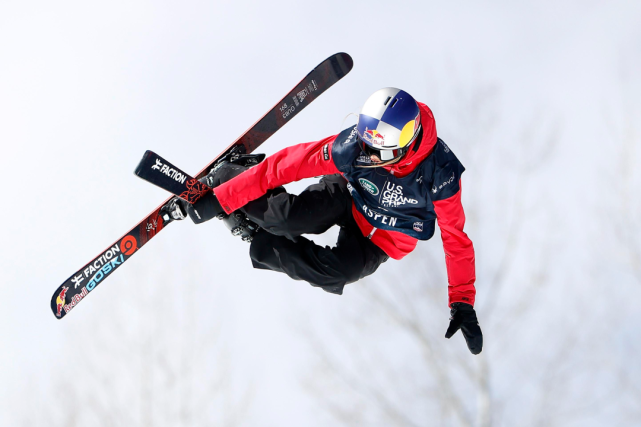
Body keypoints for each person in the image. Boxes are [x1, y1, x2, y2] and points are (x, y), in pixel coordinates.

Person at [170, 88, 482, 355]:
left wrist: (463, 302)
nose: (368, 155)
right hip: (349, 194)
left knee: (336, 274)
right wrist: (223, 195)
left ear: (405, 147)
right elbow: (291, 164)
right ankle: (231, 176)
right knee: (289, 217)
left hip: (381, 238)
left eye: (378, 153)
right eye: (366, 144)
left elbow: (455, 239)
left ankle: (253, 231)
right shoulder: (355, 148)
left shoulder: (441, 177)